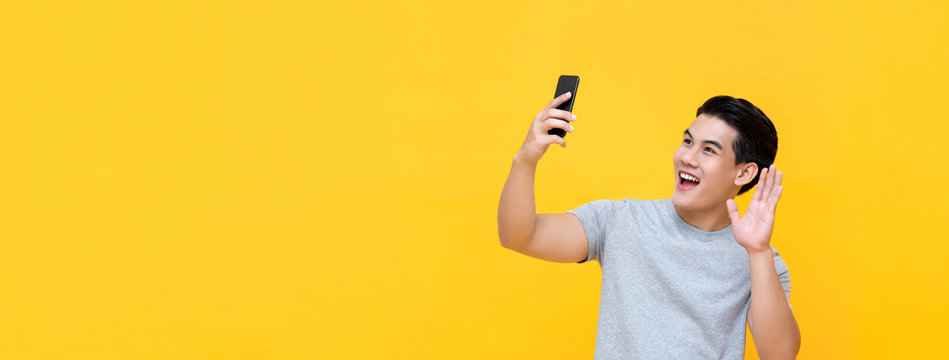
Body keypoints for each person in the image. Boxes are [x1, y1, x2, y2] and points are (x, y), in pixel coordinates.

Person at [497, 94, 800, 359]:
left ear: (744, 173)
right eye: (688, 142)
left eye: (709, 150)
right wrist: (525, 160)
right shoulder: (620, 221)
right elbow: (520, 236)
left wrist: (758, 252)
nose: (688, 158)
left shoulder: (762, 262)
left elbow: (780, 354)